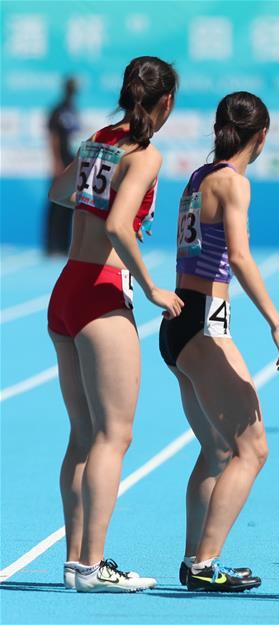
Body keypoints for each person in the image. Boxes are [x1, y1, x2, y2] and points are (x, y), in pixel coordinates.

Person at [47, 56, 182, 592]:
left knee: (83, 435)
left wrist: (112, 212)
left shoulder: (98, 140)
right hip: (102, 291)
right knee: (114, 435)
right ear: (166, 101)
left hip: (67, 287)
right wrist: (151, 287)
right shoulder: (145, 153)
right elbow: (121, 226)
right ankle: (93, 564)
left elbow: (61, 192)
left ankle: (75, 562)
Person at [159, 91, 279, 592]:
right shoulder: (234, 182)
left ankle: (194, 559)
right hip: (204, 324)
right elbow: (238, 257)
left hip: (180, 322)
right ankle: (205, 562)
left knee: (217, 450)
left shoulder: (198, 178)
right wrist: (277, 323)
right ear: (261, 136)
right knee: (252, 449)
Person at [46, 76, 81, 256]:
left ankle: (65, 245)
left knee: (69, 205)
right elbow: (53, 137)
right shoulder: (58, 110)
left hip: (71, 163)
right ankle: (52, 246)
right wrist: (56, 161)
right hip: (61, 163)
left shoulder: (73, 109)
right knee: (56, 204)